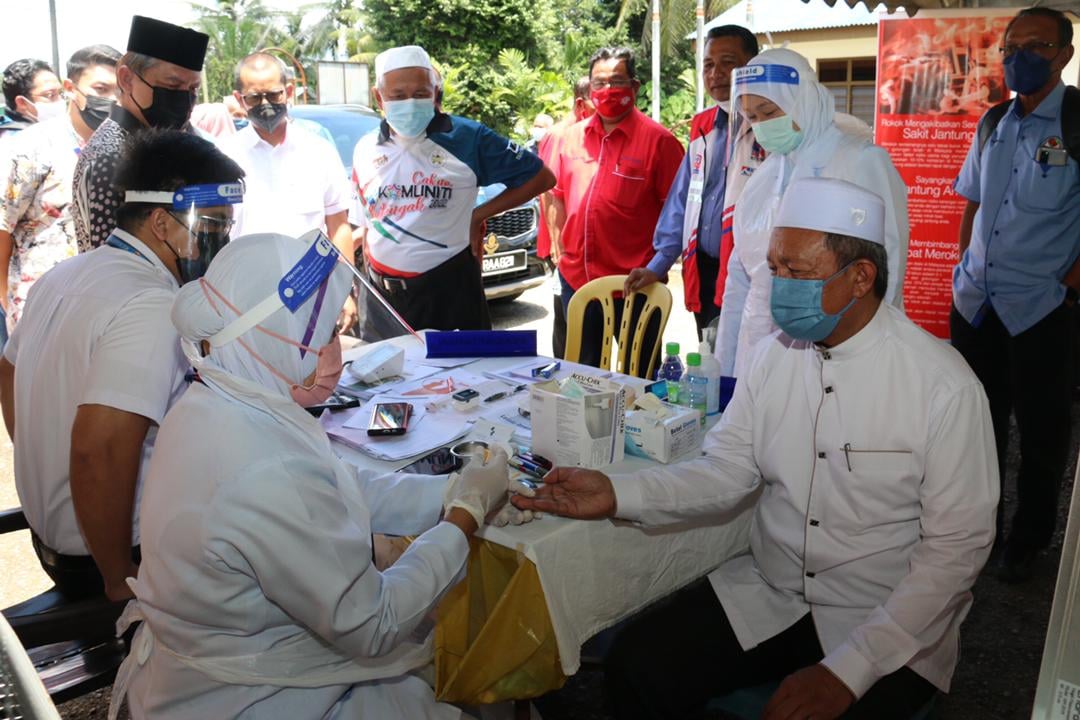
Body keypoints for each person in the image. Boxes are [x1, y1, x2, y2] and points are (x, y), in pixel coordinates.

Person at [514, 177, 998, 720]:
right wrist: (617, 494)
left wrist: (850, 669)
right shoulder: (774, 356)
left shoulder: (943, 385)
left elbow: (957, 550)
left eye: (798, 273)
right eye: (775, 268)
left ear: (861, 277)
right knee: (637, 665)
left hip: (883, 617)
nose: (780, 286)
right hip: (772, 594)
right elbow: (727, 470)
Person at [111, 231, 528, 720]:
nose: (336, 348)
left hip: (218, 669)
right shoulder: (264, 465)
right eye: (326, 333)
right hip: (252, 700)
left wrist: (449, 491)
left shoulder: (216, 400)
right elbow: (374, 623)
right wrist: (465, 515)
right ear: (274, 339)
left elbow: (337, 484)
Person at [0, 130, 243, 601]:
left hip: (54, 538)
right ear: (161, 222)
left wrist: (43, 458)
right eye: (213, 225)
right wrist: (118, 576)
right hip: (114, 552)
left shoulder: (64, 274)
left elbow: (7, 372)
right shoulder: (152, 304)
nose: (222, 241)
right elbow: (99, 448)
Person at [951, 7, 1079, 583]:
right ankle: (982, 533)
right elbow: (974, 203)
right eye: (1011, 47)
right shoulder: (993, 121)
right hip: (977, 305)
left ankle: (1028, 541)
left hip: (1041, 309)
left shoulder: (1076, 122)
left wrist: (1067, 289)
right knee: (976, 428)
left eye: (1036, 46)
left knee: (1041, 430)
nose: (1019, 57)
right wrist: (964, 268)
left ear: (1064, 55)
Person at [715, 48, 909, 379]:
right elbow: (740, 277)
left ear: (802, 100)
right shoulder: (764, 177)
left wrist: (864, 353)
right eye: (752, 117)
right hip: (759, 347)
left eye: (769, 112)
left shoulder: (859, 160)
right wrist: (726, 363)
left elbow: (886, 264)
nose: (761, 126)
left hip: (838, 347)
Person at [350, 45, 554, 332]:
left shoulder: (468, 138)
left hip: (448, 292)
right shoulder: (365, 149)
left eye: (420, 93)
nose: (410, 103)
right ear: (378, 97)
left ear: (435, 92)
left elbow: (541, 178)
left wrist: (478, 215)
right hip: (380, 299)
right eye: (398, 96)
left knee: (460, 363)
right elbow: (365, 223)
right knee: (384, 363)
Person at [549, 47, 684, 367]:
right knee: (581, 378)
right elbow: (557, 196)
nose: (607, 90)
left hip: (635, 286)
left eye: (617, 81)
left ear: (634, 86)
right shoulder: (571, 138)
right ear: (589, 87)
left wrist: (657, 266)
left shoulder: (660, 142)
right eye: (599, 83)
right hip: (578, 284)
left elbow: (679, 215)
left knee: (640, 376)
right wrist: (560, 252)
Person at [624, 25, 759, 338]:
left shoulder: (769, 126)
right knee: (710, 355)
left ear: (752, 65)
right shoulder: (703, 126)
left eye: (728, 63)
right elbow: (682, 199)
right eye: (708, 65)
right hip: (705, 270)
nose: (716, 73)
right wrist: (657, 264)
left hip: (751, 276)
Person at [220, 52, 358, 329]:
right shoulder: (223, 158)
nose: (266, 104)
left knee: (323, 359)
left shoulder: (318, 151)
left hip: (313, 294)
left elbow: (338, 226)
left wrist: (343, 289)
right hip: (246, 300)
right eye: (254, 98)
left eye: (274, 95)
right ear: (239, 99)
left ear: (289, 92)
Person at [0, 45, 121, 336]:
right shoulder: (31, 147)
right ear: (70, 88)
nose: (111, 100)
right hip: (41, 310)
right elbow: (2, 225)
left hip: (108, 308)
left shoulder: (127, 148)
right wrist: (5, 298)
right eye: (101, 89)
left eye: (119, 91)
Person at [72, 15, 209, 252]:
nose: (184, 99)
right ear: (126, 79)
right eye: (172, 86)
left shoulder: (181, 140)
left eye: (193, 88)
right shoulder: (111, 157)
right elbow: (109, 259)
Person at [537, 76, 593, 358]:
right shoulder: (562, 135)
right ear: (581, 105)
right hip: (561, 246)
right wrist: (557, 246)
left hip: (575, 246)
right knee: (567, 324)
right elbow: (548, 191)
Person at [0, 59, 63, 141]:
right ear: (22, 103)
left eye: (60, 93)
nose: (60, 101)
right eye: (51, 95)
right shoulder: (16, 141)